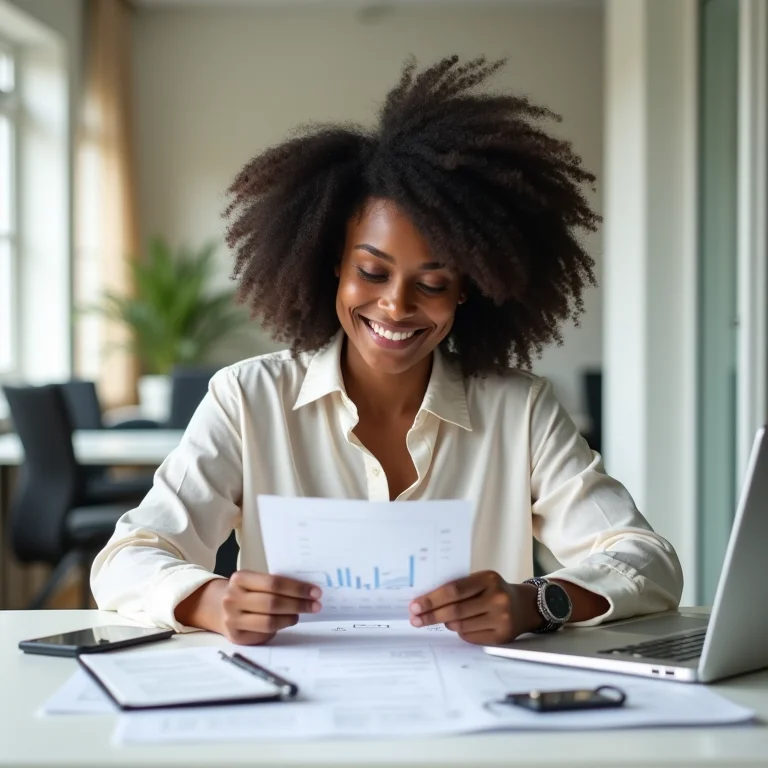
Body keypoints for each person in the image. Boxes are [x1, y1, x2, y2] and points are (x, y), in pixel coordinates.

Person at [91, 56, 683, 647]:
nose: (396, 307)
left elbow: (648, 562)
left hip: (481, 714)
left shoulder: (519, 409)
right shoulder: (248, 398)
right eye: (372, 272)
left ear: (468, 289)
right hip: (293, 710)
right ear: (333, 268)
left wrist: (538, 603)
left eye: (432, 284)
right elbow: (127, 558)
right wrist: (214, 601)